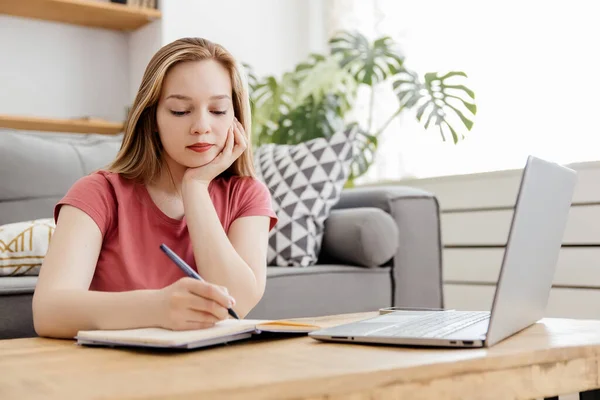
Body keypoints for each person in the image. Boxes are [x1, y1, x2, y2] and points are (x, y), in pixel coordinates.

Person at [32, 38, 278, 339]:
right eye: (179, 111)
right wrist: (158, 308)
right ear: (153, 119)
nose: (201, 125)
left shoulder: (247, 195)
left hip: (209, 370)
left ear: (236, 117)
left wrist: (196, 188)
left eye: (217, 110)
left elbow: (237, 302)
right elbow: (48, 311)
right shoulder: (98, 193)